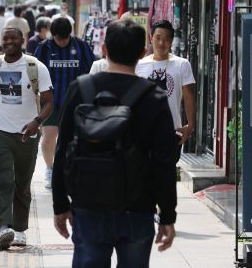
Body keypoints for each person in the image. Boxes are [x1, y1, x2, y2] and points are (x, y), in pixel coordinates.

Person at [52, 19, 177, 267]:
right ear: (143, 53)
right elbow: (164, 162)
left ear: (104, 49)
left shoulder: (81, 88)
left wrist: (60, 204)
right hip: (138, 208)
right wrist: (167, 215)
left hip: (88, 205)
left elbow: (62, 147)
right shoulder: (154, 96)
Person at [0, 27, 54, 250]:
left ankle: (20, 229)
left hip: (28, 133)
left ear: (22, 40)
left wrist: (36, 122)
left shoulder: (35, 67)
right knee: (4, 179)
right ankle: (5, 227)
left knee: (22, 184)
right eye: (5, 38)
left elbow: (49, 102)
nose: (9, 41)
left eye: (13, 38)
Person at [34, 17, 95, 189]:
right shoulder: (44, 48)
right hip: (50, 102)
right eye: (58, 39)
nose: (61, 42)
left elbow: (91, 70)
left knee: (72, 139)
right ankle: (50, 169)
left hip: (76, 102)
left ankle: (71, 169)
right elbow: (35, 72)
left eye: (65, 39)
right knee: (49, 138)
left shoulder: (81, 47)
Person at [136, 20, 196, 163]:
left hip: (172, 131)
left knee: (166, 176)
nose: (162, 43)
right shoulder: (139, 65)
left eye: (167, 39)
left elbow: (189, 96)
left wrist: (191, 125)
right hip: (144, 131)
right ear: (151, 38)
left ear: (171, 41)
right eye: (158, 38)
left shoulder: (182, 64)